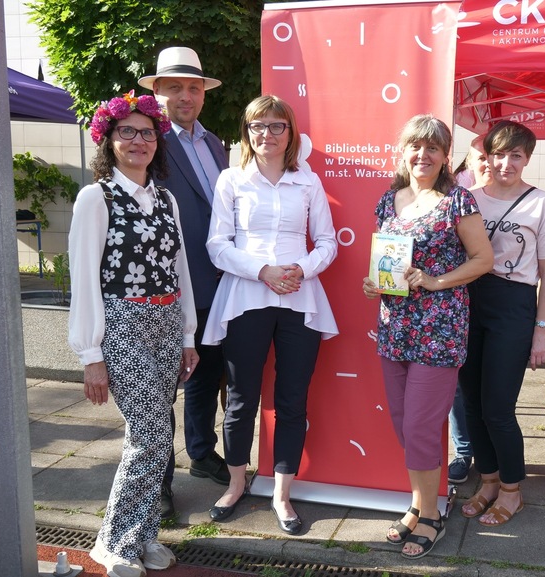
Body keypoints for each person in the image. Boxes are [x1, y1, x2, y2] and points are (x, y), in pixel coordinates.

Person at [69, 91, 198, 576]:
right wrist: (90, 353)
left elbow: (180, 270)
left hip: (166, 324)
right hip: (122, 323)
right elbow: (84, 276)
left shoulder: (166, 199)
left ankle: (142, 536)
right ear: (109, 138)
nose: (138, 141)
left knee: (155, 436)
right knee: (151, 435)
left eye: (147, 133)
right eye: (127, 131)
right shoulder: (96, 197)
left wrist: (188, 336)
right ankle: (113, 544)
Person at [202, 95, 338, 536]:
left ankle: (282, 494)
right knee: (241, 397)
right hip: (246, 295)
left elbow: (327, 242)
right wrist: (262, 271)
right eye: (257, 126)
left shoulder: (308, 181)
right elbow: (217, 244)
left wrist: (303, 268)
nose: (267, 134)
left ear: (290, 132)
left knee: (292, 400)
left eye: (276, 125)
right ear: (247, 132)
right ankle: (236, 484)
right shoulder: (231, 179)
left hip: (299, 297)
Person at [362, 114, 492, 559]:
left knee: (420, 424)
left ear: (445, 155)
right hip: (394, 327)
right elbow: (384, 258)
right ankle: (419, 503)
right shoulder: (388, 200)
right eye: (415, 146)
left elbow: (483, 259)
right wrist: (374, 282)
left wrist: (436, 281)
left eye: (432, 147)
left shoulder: (457, 201)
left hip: (439, 329)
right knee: (404, 422)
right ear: (403, 152)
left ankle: (432, 513)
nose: (423, 155)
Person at [139, 46, 231, 520]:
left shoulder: (215, 144)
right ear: (157, 91)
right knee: (160, 389)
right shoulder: (147, 141)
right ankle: (157, 484)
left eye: (193, 87)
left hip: (217, 283)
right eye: (174, 87)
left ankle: (200, 452)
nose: (185, 96)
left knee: (205, 375)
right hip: (169, 286)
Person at [459, 120, 545, 526]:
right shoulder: (466, 198)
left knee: (498, 407)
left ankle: (511, 490)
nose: (505, 163)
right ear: (486, 156)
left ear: (527, 159)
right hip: (466, 304)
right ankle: (487, 481)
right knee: (471, 404)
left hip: (513, 306)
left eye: (515, 155)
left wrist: (542, 329)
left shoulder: (541, 203)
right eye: (498, 154)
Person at [446, 133, 492, 485]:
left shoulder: (520, 197)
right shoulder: (453, 196)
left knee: (491, 384)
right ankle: (464, 451)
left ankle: (490, 450)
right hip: (454, 299)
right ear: (469, 162)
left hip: (498, 302)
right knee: (458, 385)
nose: (489, 162)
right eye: (482, 157)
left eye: (495, 155)